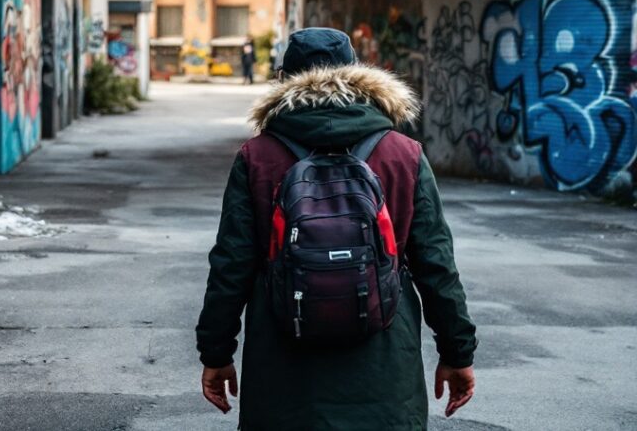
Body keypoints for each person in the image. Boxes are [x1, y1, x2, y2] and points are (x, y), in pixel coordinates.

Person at [196, 27, 477, 430]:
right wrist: (457, 353)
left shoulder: (257, 157)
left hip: (283, 367)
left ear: (283, 80)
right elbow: (436, 264)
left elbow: (231, 265)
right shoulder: (403, 154)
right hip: (383, 369)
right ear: (357, 76)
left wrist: (216, 353)